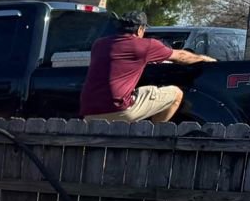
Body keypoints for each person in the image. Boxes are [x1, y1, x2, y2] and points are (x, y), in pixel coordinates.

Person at [80, 10, 213, 123]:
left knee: (145, 90)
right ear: (140, 29)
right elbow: (182, 57)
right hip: (119, 109)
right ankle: (151, 134)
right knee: (176, 94)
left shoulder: (99, 44)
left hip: (89, 112)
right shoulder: (145, 46)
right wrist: (206, 59)